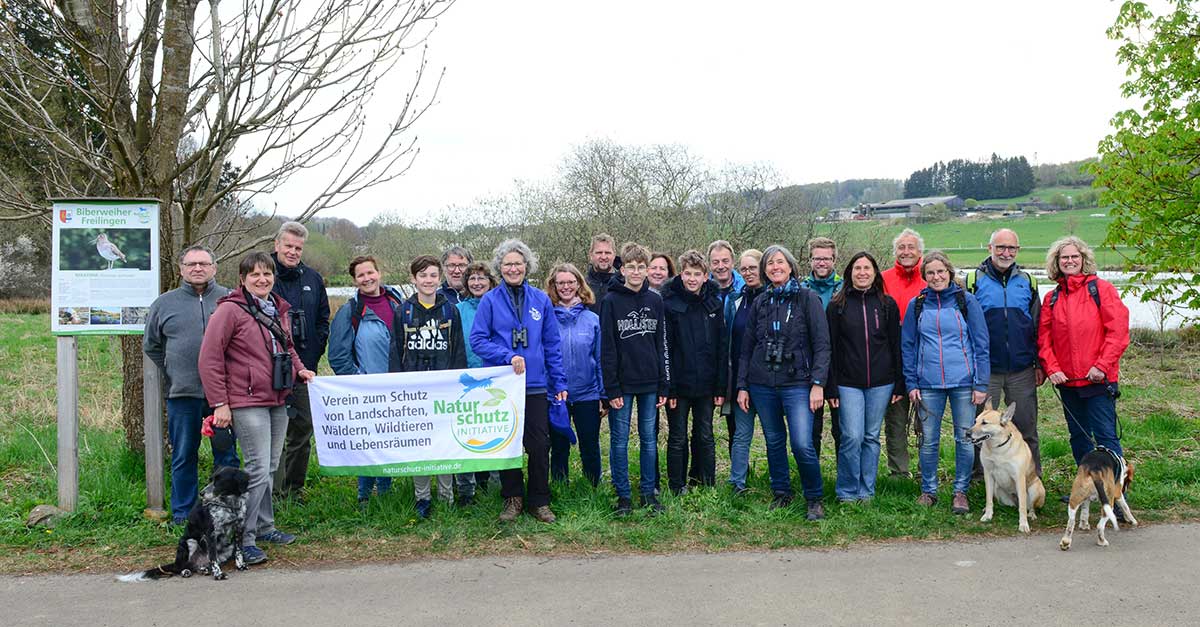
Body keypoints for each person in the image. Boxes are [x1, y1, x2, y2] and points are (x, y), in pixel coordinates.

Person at [199, 252, 315, 566]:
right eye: (255, 275)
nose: (262, 279)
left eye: (267, 274)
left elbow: (287, 346)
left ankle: (265, 527)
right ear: (243, 278)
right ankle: (243, 539)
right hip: (246, 400)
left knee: (271, 467)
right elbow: (210, 358)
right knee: (257, 469)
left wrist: (300, 369)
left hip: (277, 397)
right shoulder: (229, 311)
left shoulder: (276, 308)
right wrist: (220, 403)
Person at [470, 239, 568, 523]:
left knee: (539, 445)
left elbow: (551, 344)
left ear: (527, 266)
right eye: (507, 263)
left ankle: (539, 500)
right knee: (508, 444)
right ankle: (513, 499)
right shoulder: (489, 300)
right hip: (503, 385)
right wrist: (506, 355)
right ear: (500, 267)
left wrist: (559, 382)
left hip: (536, 384)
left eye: (518, 263)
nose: (513, 268)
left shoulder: (540, 300)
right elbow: (478, 340)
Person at [144, 244, 240, 526]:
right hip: (183, 394)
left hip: (221, 396)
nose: (197, 268)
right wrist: (176, 369)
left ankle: (226, 510)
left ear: (214, 267)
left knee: (226, 453)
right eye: (191, 264)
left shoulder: (230, 299)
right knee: (184, 455)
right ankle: (183, 513)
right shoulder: (164, 304)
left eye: (203, 264)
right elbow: (152, 346)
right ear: (181, 269)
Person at [736, 245, 831, 520]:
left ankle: (814, 497)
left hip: (798, 383)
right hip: (762, 382)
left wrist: (818, 383)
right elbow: (747, 347)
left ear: (790, 266)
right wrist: (743, 385)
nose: (775, 267)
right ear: (765, 271)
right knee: (774, 440)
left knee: (802, 443)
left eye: (780, 262)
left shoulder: (807, 298)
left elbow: (823, 345)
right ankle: (782, 493)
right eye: (769, 264)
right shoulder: (761, 302)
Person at [901, 251, 989, 514]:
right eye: (930, 273)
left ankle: (960, 491)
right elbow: (908, 346)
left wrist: (981, 383)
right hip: (927, 384)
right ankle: (929, 490)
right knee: (928, 440)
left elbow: (981, 343)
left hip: (963, 382)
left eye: (941, 272)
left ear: (950, 273)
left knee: (964, 439)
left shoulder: (966, 301)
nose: (936, 277)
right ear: (924, 276)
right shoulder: (916, 304)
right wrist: (911, 382)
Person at [1038, 236, 1130, 466]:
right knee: (1079, 438)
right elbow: (1044, 340)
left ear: (1083, 259)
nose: (1069, 261)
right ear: (1057, 262)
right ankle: (1087, 489)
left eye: (1074, 256)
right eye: (1064, 257)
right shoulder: (1051, 298)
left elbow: (1117, 333)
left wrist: (1101, 366)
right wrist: (1052, 369)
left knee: (1106, 437)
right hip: (1068, 382)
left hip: (1098, 381)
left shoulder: (1102, 290)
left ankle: (1116, 495)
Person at [388, 255, 467, 519]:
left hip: (443, 388)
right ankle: (422, 497)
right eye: (423, 275)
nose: (428, 280)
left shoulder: (450, 310)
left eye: (433, 275)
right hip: (414, 388)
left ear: (439, 277)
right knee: (419, 443)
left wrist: (459, 385)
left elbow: (458, 351)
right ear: (414, 279)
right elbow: (395, 351)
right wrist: (397, 385)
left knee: (443, 442)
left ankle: (446, 495)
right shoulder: (403, 311)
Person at [327, 256, 405, 509]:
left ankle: (385, 492)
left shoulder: (397, 303)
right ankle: (363, 495)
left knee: (389, 441)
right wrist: (358, 382)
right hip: (368, 391)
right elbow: (338, 356)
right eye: (361, 275)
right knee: (369, 442)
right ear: (354, 280)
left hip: (398, 389)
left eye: (370, 272)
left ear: (379, 273)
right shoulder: (350, 311)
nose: (367, 278)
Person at [825, 252, 903, 502]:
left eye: (867, 268)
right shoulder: (837, 305)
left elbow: (895, 344)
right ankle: (847, 491)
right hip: (848, 383)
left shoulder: (887, 304)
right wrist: (831, 386)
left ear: (874, 273)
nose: (862, 272)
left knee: (871, 437)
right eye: (857, 268)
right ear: (849, 273)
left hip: (882, 382)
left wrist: (899, 381)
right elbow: (831, 348)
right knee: (851, 436)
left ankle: (866, 491)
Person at [965, 228, 1045, 475]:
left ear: (1017, 251)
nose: (1006, 252)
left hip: (1021, 368)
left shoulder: (1028, 282)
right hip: (985, 368)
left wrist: (1039, 363)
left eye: (1011, 248)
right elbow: (965, 326)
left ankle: (1031, 475)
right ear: (990, 248)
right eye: (1000, 247)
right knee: (982, 425)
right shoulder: (972, 281)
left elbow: (1038, 325)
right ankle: (981, 477)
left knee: (1025, 425)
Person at [600, 242, 668, 515]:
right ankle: (623, 496)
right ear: (623, 269)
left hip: (650, 382)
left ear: (648, 269)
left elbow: (661, 343)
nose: (637, 272)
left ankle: (649, 493)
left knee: (649, 439)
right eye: (631, 267)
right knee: (619, 440)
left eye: (642, 267)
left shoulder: (655, 300)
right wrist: (612, 387)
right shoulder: (611, 300)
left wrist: (664, 382)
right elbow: (607, 347)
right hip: (623, 385)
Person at [270, 221, 330, 501]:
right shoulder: (262, 273)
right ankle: (271, 490)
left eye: (298, 247)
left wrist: (312, 355)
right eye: (288, 246)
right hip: (267, 369)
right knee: (272, 432)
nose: (293, 252)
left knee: (302, 430)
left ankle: (294, 489)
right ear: (277, 245)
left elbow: (322, 320)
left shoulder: (313, 278)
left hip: (304, 369)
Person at [662, 250, 726, 494]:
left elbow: (722, 347)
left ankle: (705, 482)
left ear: (705, 275)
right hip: (679, 386)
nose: (691, 279)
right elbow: (666, 348)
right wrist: (670, 387)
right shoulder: (669, 304)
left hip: (707, 385)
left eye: (697, 274)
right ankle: (677, 485)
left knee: (705, 435)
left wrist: (720, 386)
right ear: (680, 274)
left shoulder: (714, 303)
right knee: (678, 438)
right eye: (687, 273)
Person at [545, 262, 605, 487]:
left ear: (579, 284)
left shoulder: (592, 320)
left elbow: (599, 359)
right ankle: (560, 488)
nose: (566, 287)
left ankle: (593, 488)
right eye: (561, 283)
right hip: (556, 395)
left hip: (587, 393)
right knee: (558, 446)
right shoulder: (546, 319)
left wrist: (603, 394)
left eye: (571, 282)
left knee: (589, 445)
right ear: (554, 286)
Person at [880, 228, 926, 479]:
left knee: (926, 419)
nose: (906, 252)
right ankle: (898, 472)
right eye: (902, 247)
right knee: (896, 418)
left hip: (925, 358)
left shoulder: (930, 277)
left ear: (920, 251)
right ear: (895, 251)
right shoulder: (883, 278)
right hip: (891, 359)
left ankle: (924, 470)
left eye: (911, 247)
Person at [457, 261, 499, 500]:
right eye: (472, 279)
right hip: (467, 379)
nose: (477, 283)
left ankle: (495, 488)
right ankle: (467, 490)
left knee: (493, 432)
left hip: (494, 379)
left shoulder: (499, 306)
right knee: (468, 434)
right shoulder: (459, 309)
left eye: (482, 278)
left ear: (491, 281)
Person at [799, 237, 843, 460]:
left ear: (834, 260)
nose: (822, 263)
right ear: (810, 260)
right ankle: (812, 479)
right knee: (811, 430)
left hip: (840, 366)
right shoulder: (801, 288)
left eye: (826, 258)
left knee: (841, 429)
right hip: (809, 367)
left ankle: (845, 480)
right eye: (817, 258)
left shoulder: (845, 288)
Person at [726, 248, 764, 493]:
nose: (748, 272)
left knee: (774, 434)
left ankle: (779, 482)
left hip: (769, 377)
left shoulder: (774, 296)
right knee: (741, 434)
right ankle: (736, 482)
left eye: (753, 267)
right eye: (744, 268)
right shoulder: (737, 300)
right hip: (742, 378)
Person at [707, 239, 744, 469]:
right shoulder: (703, 290)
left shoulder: (744, 289)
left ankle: (740, 472)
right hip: (708, 365)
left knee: (736, 424)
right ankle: (702, 474)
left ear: (733, 261)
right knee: (703, 424)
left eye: (725, 261)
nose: (720, 266)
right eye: (715, 262)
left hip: (736, 364)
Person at [586, 233, 620, 313]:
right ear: (591, 255)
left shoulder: (623, 285)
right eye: (599, 253)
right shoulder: (582, 286)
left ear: (614, 255)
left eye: (608, 253)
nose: (603, 257)